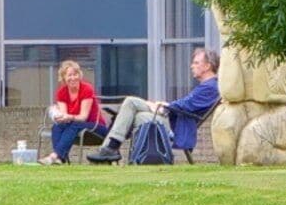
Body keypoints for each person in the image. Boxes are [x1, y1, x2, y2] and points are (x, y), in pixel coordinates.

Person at [93, 49, 221, 166]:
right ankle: (109, 149)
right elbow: (184, 104)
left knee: (130, 102)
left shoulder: (210, 87)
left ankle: (110, 148)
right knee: (137, 114)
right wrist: (162, 106)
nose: (192, 66)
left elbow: (185, 105)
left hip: (176, 126)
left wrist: (162, 106)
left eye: (196, 63)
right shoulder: (207, 86)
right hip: (172, 119)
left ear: (207, 66)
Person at [46, 60, 107, 164]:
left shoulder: (87, 89)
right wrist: (58, 116)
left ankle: (56, 155)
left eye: (75, 74)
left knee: (75, 124)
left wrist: (69, 117)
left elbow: (83, 117)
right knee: (57, 126)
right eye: (69, 75)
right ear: (63, 77)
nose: (73, 78)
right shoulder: (61, 92)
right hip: (76, 126)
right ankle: (61, 159)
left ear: (79, 75)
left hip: (96, 127)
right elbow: (65, 117)